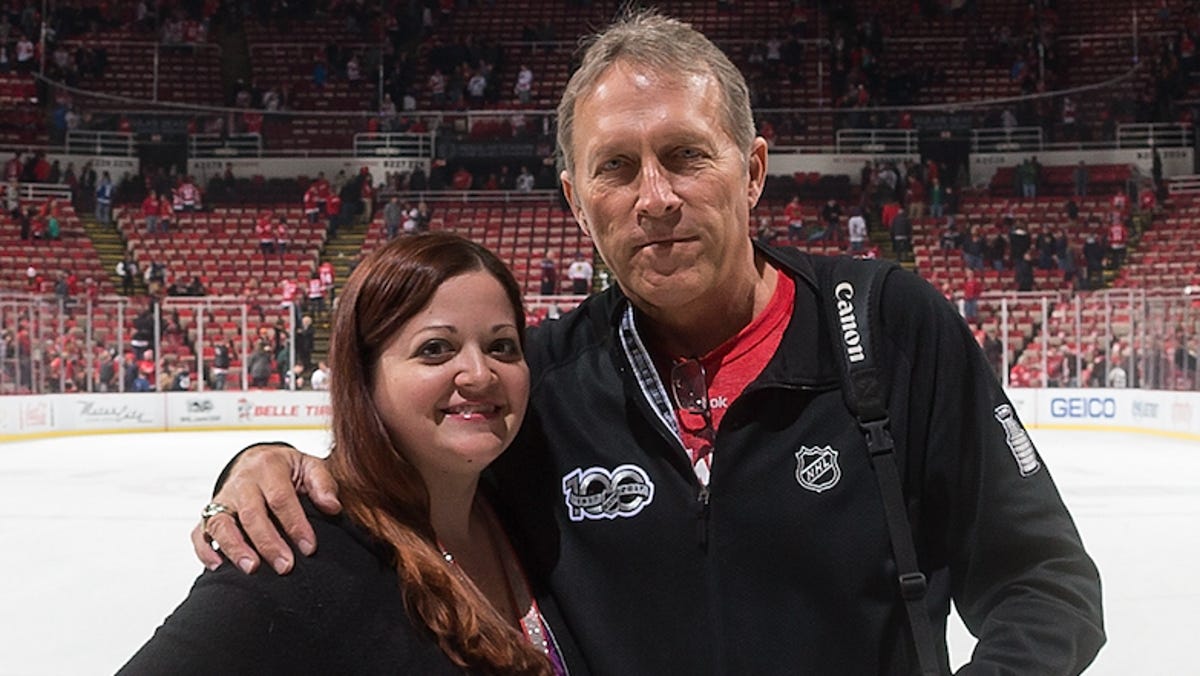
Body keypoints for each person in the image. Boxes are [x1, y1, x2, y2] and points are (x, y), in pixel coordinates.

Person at [192, 11, 1104, 675]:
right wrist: (264, 461)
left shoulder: (887, 326)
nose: (655, 197)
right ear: (575, 201)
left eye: (687, 156)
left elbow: (1047, 583)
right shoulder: (538, 381)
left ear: (751, 172)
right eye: (617, 168)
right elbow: (399, 497)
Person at [120, 234, 563, 674]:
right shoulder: (302, 553)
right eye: (435, 349)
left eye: (502, 346)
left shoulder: (528, 508)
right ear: (364, 377)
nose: (480, 373)